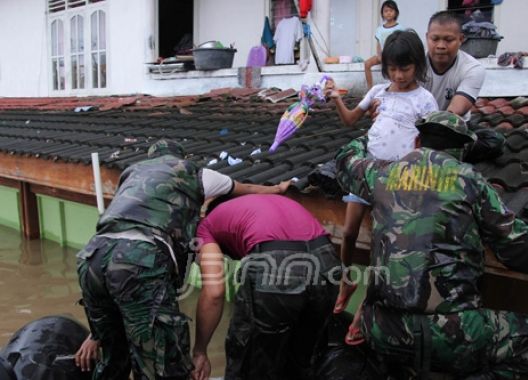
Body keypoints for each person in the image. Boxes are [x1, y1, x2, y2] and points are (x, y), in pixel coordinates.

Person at [334, 111, 528, 379]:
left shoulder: (382, 173)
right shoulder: (469, 180)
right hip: (452, 336)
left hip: (382, 330)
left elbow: (345, 159)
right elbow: (523, 249)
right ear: (462, 150)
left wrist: (373, 133)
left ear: (416, 142)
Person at [76, 139, 290, 380]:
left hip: (92, 256)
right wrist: (278, 189)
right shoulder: (194, 172)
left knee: (112, 358)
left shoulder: (132, 173)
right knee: (163, 365)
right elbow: (247, 189)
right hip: (139, 258)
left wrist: (97, 332)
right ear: (181, 156)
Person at [326, 30, 438, 340]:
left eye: (405, 68)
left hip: (397, 182)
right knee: (348, 233)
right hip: (365, 172)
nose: (399, 75)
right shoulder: (378, 92)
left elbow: (432, 141)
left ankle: (367, 305)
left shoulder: (424, 99)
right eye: (392, 68)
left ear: (417, 65)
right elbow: (350, 120)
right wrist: (337, 98)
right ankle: (347, 280)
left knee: (381, 245)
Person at [191, 194, 340, 380]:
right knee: (303, 359)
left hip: (275, 263)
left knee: (250, 359)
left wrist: (200, 351)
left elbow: (214, 293)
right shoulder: (264, 202)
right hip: (326, 260)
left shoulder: (207, 225)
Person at [423, 11, 486, 118]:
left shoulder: (472, 68)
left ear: (461, 39)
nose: (441, 46)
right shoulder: (413, 63)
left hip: (452, 127)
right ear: (427, 37)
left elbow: (454, 112)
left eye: (448, 40)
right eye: (435, 39)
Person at [364, 0, 405, 90]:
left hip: (395, 55)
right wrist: (379, 56)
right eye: (386, 11)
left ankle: (395, 88)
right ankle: (370, 89)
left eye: (391, 10)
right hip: (382, 55)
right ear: (382, 14)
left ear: (396, 12)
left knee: (392, 68)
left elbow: (402, 43)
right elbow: (379, 44)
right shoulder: (380, 29)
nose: (388, 13)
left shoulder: (400, 28)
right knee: (367, 64)